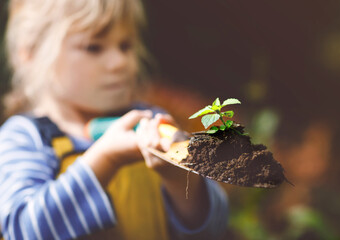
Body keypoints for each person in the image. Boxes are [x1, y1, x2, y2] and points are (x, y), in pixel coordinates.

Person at [0, 0, 228, 239]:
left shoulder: (151, 122)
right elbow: (23, 230)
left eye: (125, 45)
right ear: (30, 53)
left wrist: (180, 178)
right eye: (93, 47)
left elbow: (215, 227)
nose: (120, 62)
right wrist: (105, 160)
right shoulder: (25, 138)